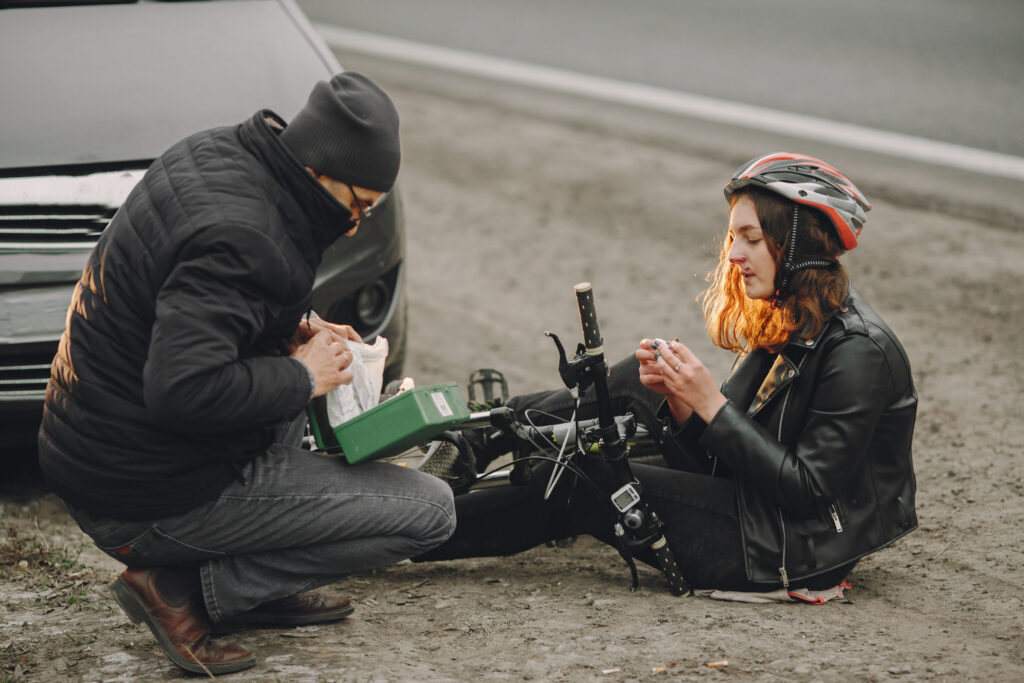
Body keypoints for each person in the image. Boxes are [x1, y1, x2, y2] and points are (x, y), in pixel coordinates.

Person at [37, 73, 456, 675]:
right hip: (142, 493)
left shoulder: (223, 155)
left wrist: (300, 326)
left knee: (302, 380)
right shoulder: (241, 236)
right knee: (432, 512)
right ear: (316, 171)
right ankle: (186, 590)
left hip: (104, 446)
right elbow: (182, 390)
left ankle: (257, 584)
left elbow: (208, 300)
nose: (358, 223)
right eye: (358, 204)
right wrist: (302, 375)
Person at [419, 153, 918, 596]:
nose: (734, 255)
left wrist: (711, 404)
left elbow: (807, 491)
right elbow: (725, 461)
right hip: (755, 504)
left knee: (581, 479)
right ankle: (479, 434)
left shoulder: (858, 353)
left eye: (751, 238)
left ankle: (407, 529)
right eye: (733, 238)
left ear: (798, 244)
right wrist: (683, 404)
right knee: (634, 382)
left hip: (790, 546)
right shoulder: (792, 314)